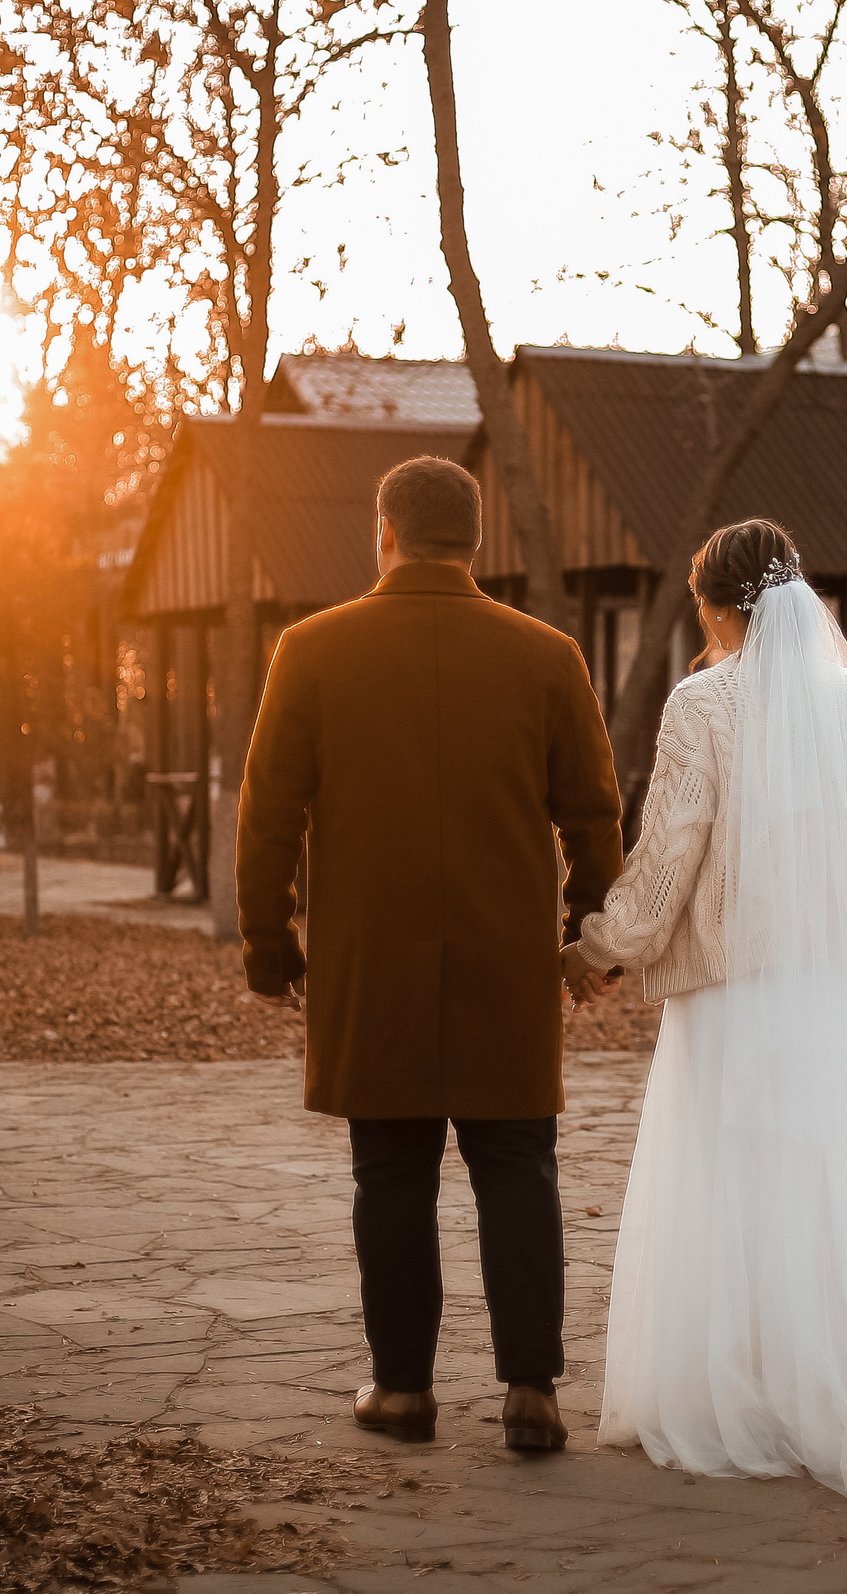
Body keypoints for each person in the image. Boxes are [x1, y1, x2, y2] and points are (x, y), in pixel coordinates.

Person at [565, 518, 847, 1508]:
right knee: (823, 1174)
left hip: (737, 984)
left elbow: (673, 850)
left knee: (728, 1176)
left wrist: (601, 946)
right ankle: (836, 1374)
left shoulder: (703, 703)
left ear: (714, 605)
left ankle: (742, 1389)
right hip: (832, 980)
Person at [235, 455, 622, 1453]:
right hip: (506, 962)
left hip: (373, 962)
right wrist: (591, 932)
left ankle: (403, 1392)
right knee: (519, 1171)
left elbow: (267, 812)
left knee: (392, 1176)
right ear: (476, 543)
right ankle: (530, 1389)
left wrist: (268, 944)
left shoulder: (312, 650)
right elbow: (592, 812)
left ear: (385, 533)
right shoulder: (547, 657)